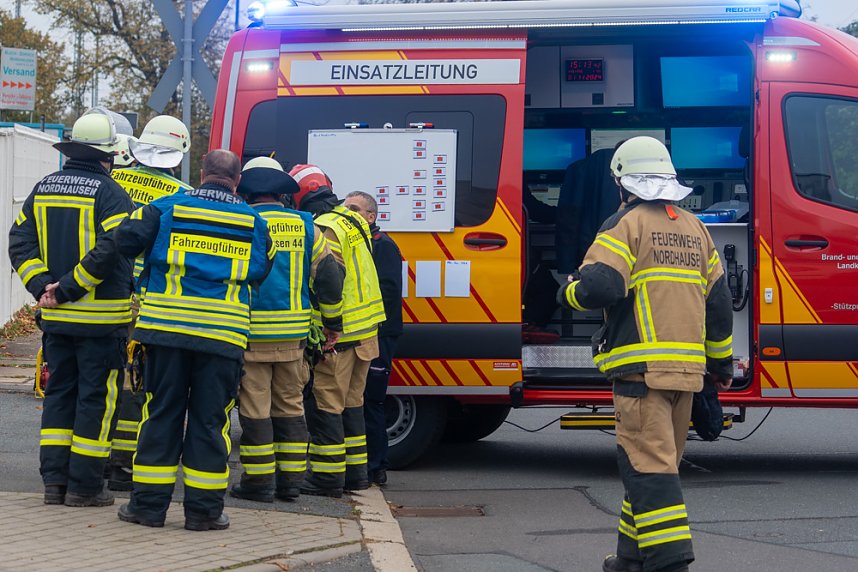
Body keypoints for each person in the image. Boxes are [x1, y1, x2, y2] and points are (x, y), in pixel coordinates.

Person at [556, 137, 733, 572]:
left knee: (647, 468)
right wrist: (721, 364)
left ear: (622, 182)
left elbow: (602, 287)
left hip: (642, 373)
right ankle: (628, 559)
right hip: (688, 374)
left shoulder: (625, 223)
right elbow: (720, 302)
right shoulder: (695, 228)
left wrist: (568, 292)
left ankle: (670, 564)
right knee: (657, 462)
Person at [113, 149, 272, 531]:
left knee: (160, 414)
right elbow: (260, 271)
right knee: (210, 421)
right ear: (236, 182)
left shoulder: (166, 207)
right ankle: (203, 513)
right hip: (222, 336)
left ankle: (148, 508)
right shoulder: (255, 222)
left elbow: (123, 242)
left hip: (166, 330)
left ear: (202, 173)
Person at [8, 110, 135, 507]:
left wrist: (41, 286)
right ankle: (85, 487)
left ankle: (54, 485)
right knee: (96, 400)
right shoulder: (111, 193)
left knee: (59, 395)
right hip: (100, 323)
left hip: (57, 321)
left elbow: (19, 241)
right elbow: (113, 249)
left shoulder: (44, 187)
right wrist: (68, 287)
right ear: (108, 154)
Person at [229, 157, 344, 503]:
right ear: (282, 192)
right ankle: (291, 482)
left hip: (251, 335)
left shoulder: (243, 221)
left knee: (254, 408)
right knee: (291, 406)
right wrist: (332, 325)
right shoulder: (308, 226)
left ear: (246, 190)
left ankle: (258, 482)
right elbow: (329, 277)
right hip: (293, 337)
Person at [107, 115, 194, 492]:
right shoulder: (184, 196)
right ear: (179, 155)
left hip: (103, 292)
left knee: (104, 376)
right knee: (137, 383)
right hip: (151, 303)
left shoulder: (113, 183)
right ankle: (125, 464)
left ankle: (93, 456)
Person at [289, 164, 385, 498]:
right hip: (366, 332)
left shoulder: (325, 227)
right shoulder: (353, 221)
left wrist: (329, 326)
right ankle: (357, 474)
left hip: (341, 335)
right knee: (352, 403)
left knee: (327, 403)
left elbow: (331, 280)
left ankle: (328, 477)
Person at [342, 191, 402, 486]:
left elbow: (388, 292)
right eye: (344, 207)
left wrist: (370, 330)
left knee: (371, 401)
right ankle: (359, 466)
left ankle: (376, 466)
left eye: (353, 208)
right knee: (354, 400)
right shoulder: (354, 243)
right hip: (358, 333)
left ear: (371, 217)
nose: (347, 212)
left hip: (377, 334)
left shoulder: (383, 246)